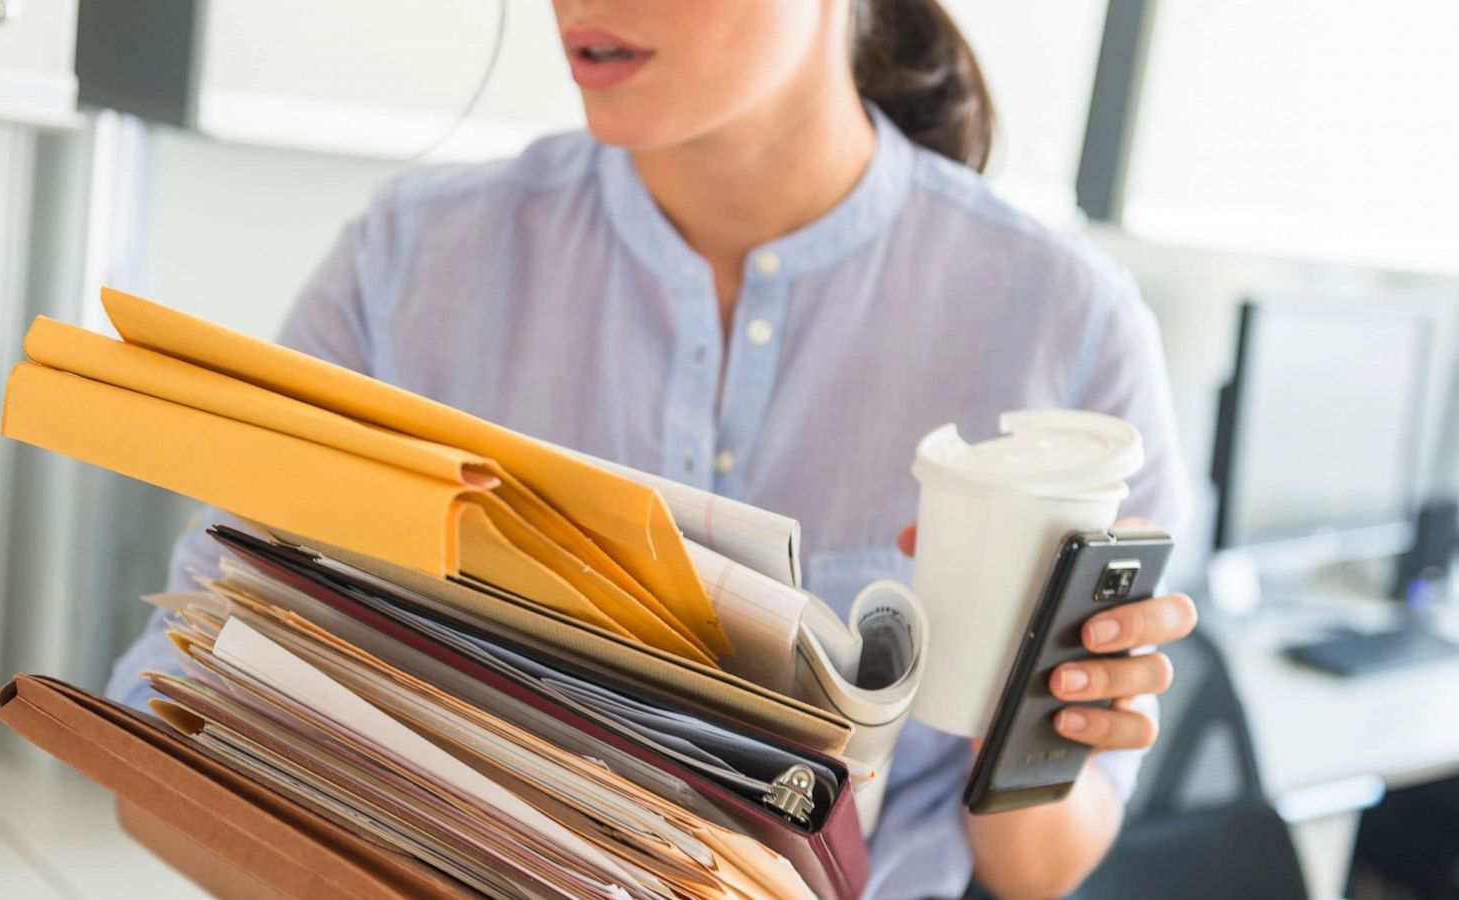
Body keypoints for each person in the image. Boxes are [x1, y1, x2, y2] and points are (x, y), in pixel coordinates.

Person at [108, 1, 1198, 897]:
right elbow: (171, 735)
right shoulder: (407, 264)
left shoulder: (1067, 329)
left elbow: (1035, 869)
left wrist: (1030, 717)